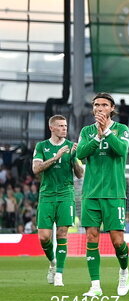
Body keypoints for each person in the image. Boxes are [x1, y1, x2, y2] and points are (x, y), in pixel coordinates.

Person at [76, 93, 129, 297]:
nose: (100, 108)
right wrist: (97, 136)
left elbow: (121, 151)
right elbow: (80, 154)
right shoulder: (87, 131)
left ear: (111, 108)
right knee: (91, 237)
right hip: (91, 193)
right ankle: (95, 286)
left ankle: (124, 270)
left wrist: (106, 132)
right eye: (96, 105)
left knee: (117, 241)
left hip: (114, 193)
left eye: (104, 105)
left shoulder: (122, 129)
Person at [32, 115, 84, 287]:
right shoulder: (42, 146)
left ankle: (59, 274)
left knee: (62, 234)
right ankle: (53, 263)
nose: (64, 128)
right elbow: (36, 169)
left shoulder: (71, 147)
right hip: (46, 195)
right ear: (52, 128)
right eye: (60, 126)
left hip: (65, 194)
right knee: (44, 237)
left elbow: (79, 174)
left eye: (66, 125)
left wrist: (74, 158)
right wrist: (56, 157)